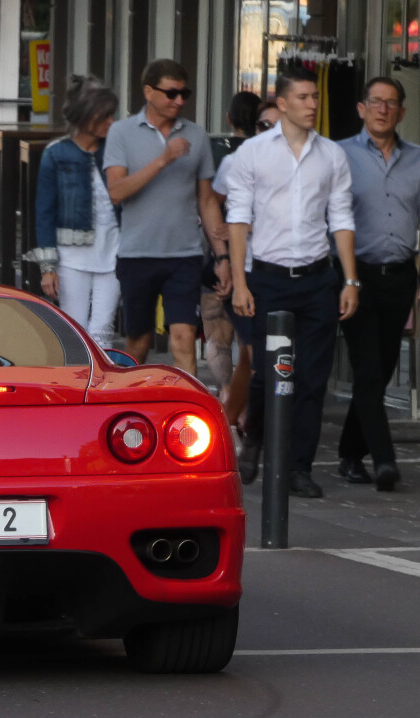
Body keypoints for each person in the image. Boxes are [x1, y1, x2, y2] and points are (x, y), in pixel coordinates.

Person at [228, 67, 359, 498]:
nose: (312, 104)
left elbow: (340, 217)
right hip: (267, 277)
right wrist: (241, 281)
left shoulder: (332, 155)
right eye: (303, 97)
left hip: (317, 278)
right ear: (281, 104)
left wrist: (350, 280)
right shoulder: (254, 153)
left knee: (312, 377)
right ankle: (255, 441)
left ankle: (298, 467)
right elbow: (239, 218)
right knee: (267, 375)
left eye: (315, 97)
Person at [104, 59, 231, 372]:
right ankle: (131, 412)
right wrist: (163, 159)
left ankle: (186, 417)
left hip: (184, 255)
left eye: (184, 93)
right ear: (148, 91)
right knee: (138, 343)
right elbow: (116, 191)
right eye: (171, 93)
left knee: (184, 337)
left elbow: (207, 201)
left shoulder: (197, 135)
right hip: (137, 254)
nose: (179, 101)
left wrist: (222, 257)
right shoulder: (121, 132)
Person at [334, 77, 420, 493]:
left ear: (402, 112)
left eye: (392, 103)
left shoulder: (418, 159)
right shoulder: (340, 156)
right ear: (361, 108)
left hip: (401, 277)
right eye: (376, 102)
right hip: (356, 276)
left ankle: (350, 452)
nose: (384, 109)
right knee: (367, 367)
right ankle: (384, 460)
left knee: (381, 371)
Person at [208, 96, 281, 431]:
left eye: (279, 125)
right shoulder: (237, 161)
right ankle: (239, 419)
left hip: (285, 270)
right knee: (252, 352)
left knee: (259, 355)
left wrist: (251, 224)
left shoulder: (305, 164)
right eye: (265, 125)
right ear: (255, 128)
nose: (271, 131)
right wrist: (221, 250)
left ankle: (239, 415)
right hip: (246, 269)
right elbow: (211, 203)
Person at [31, 76, 120, 346]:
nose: (111, 122)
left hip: (115, 251)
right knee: (74, 329)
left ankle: (99, 386)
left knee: (104, 329)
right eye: (106, 116)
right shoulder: (55, 154)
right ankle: (79, 383)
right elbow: (44, 212)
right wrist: (47, 267)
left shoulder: (116, 150)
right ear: (88, 117)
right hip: (71, 255)